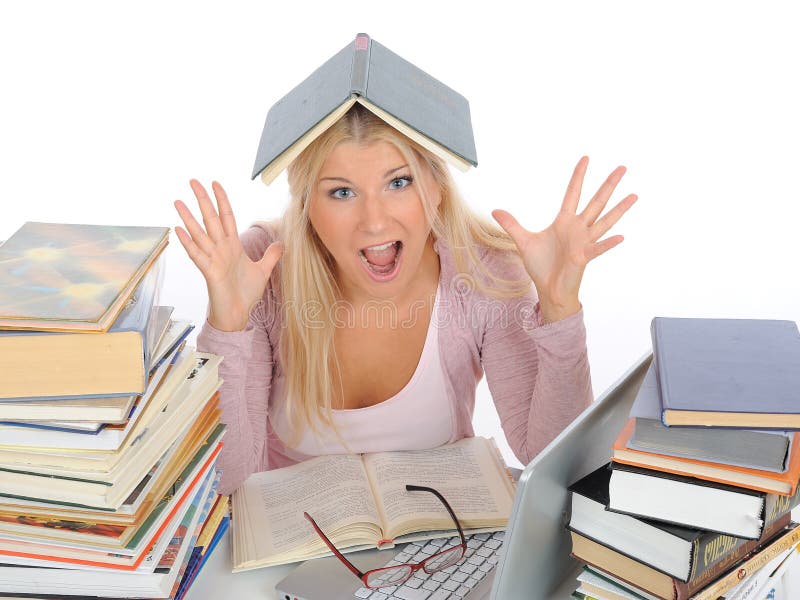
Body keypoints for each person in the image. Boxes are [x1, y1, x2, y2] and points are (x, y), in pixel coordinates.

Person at [174, 105, 636, 496]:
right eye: (342, 192)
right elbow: (225, 482)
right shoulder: (263, 268)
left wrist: (558, 310)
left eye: (398, 183)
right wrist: (228, 328)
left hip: (438, 559)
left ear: (436, 189)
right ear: (307, 207)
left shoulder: (482, 272)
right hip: (285, 562)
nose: (374, 221)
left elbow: (555, 461)